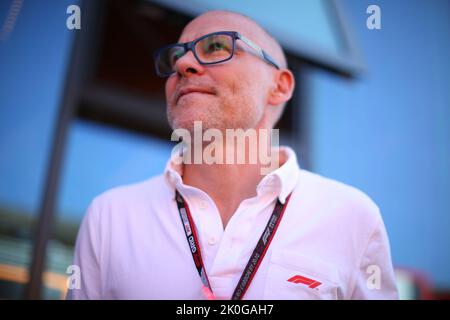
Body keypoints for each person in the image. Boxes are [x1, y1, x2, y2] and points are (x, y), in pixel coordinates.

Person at [67, 10, 398, 300]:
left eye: (215, 47)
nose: (182, 64)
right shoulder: (109, 217)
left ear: (279, 86)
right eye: (175, 57)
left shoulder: (352, 218)